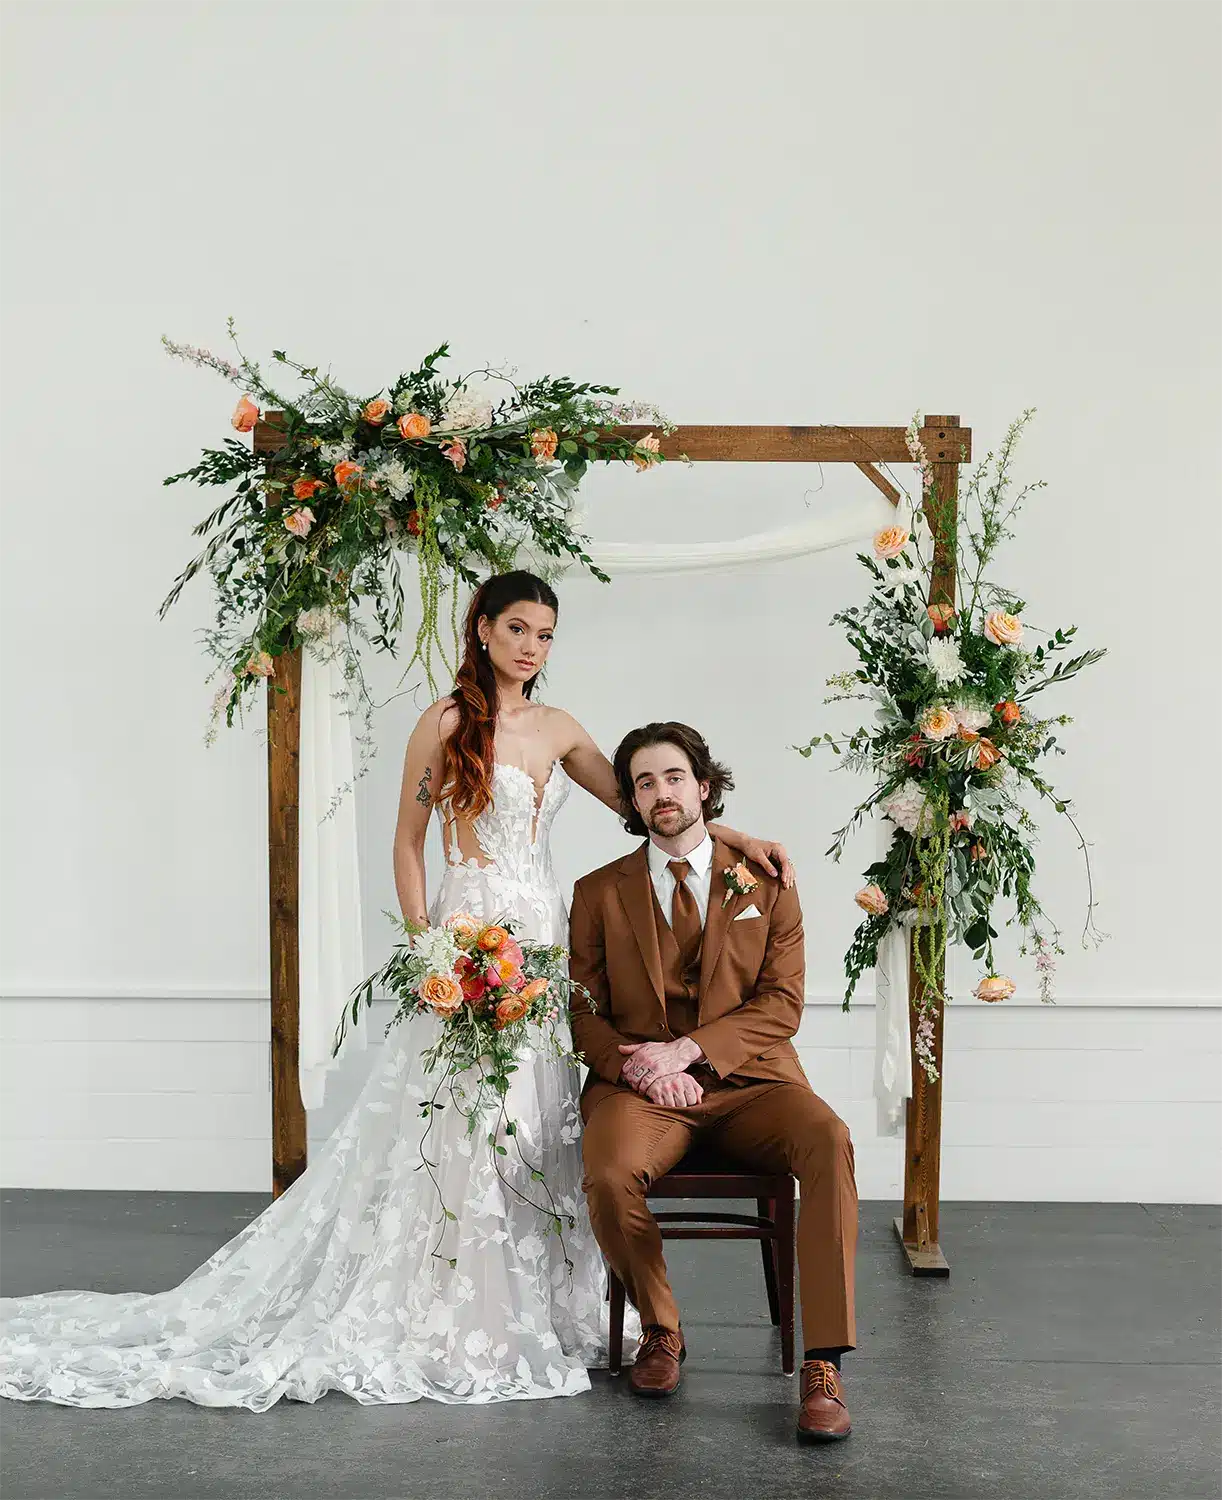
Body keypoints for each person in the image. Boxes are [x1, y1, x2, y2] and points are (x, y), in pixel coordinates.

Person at [0, 572, 791, 1410]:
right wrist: (430, 951)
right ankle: (457, 1305)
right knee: (463, 1119)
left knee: (534, 1119)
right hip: (470, 934)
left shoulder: (560, 729)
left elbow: (648, 807)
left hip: (544, 940)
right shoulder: (446, 722)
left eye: (546, 634)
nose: (532, 647)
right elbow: (409, 842)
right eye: (517, 628)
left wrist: (734, 830)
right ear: (482, 630)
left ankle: (549, 1299)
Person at [568, 721, 858, 1442]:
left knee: (829, 1139)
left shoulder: (767, 880)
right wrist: (642, 1064)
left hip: (754, 1083)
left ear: (703, 787)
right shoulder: (597, 892)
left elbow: (782, 1006)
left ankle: (823, 1363)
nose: (660, 793)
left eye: (672, 777)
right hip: (639, 1090)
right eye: (643, 783)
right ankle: (661, 1329)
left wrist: (690, 1052)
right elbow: (577, 1011)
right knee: (607, 1173)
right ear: (631, 803)